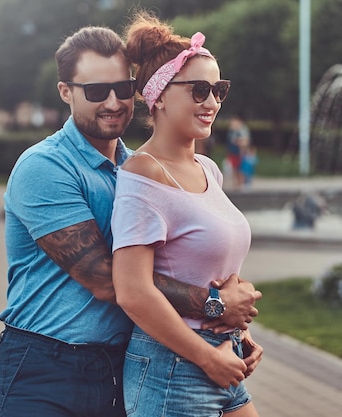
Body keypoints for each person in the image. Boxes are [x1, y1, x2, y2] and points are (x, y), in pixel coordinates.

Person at [0, 25, 262, 417]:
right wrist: (217, 305)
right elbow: (110, 280)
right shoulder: (45, 167)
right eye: (97, 91)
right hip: (47, 365)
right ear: (65, 91)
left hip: (122, 362)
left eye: (123, 87)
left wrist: (234, 328)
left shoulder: (139, 168)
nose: (115, 102)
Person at [111, 12, 261, 417]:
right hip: (172, 369)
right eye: (198, 90)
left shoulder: (207, 170)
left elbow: (207, 267)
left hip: (223, 361)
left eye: (218, 89)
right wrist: (207, 357)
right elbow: (132, 292)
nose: (212, 102)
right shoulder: (144, 173)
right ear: (157, 95)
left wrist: (239, 331)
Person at [226, 114, 251, 189]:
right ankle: (236, 183)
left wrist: (237, 142)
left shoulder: (242, 130)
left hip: (240, 152)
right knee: (234, 168)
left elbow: (245, 141)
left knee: (240, 169)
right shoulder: (232, 131)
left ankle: (240, 184)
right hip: (233, 152)